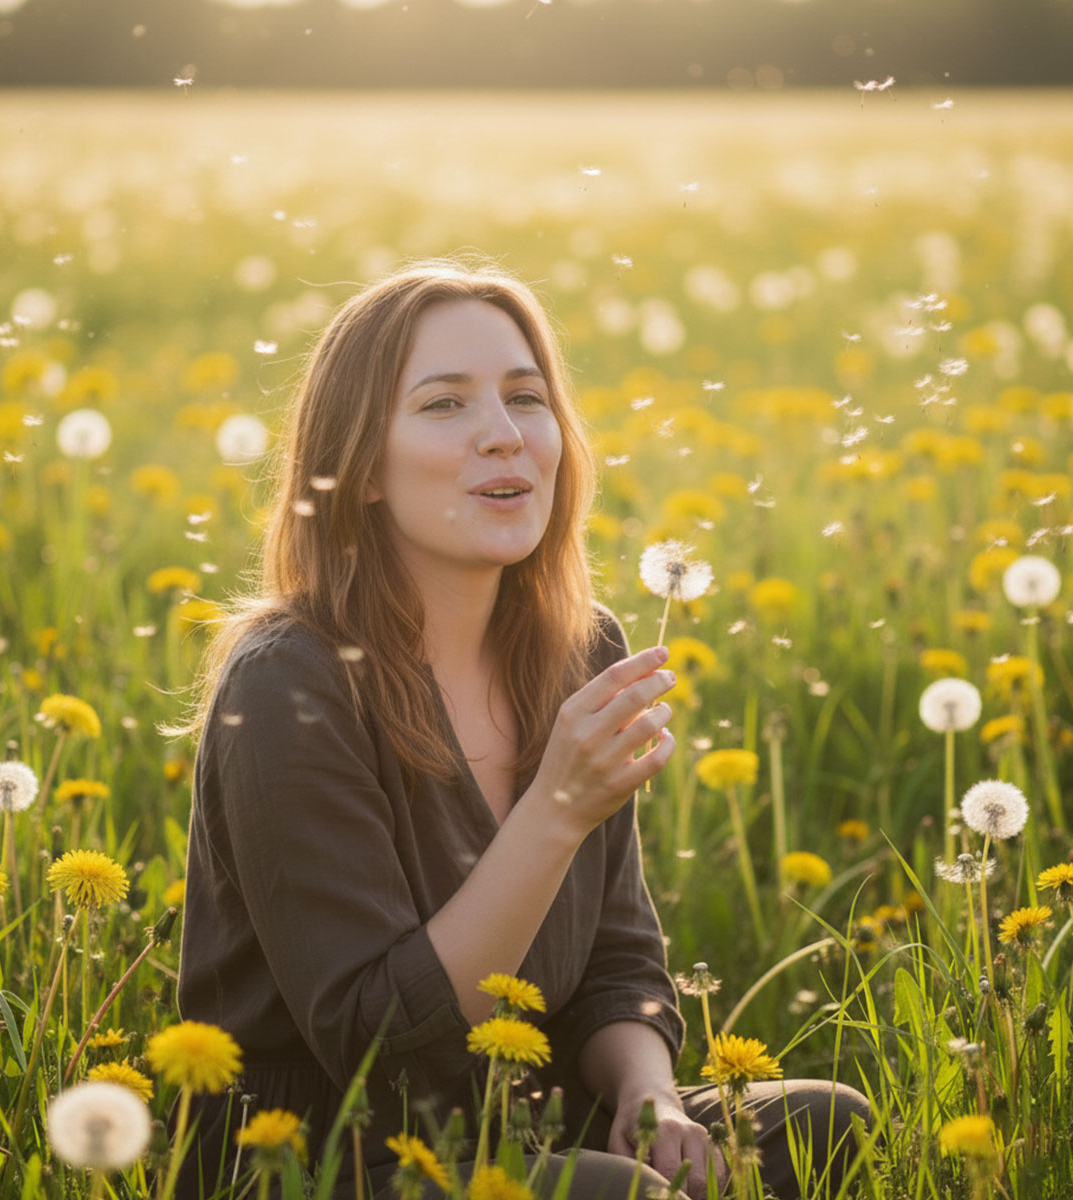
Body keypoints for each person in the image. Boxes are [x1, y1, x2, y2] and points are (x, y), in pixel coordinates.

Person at [176, 262, 868, 1200]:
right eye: (444, 406)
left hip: (524, 1116)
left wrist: (650, 1091)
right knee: (613, 1193)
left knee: (829, 1128)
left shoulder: (581, 653)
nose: (502, 436)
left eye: (525, 398)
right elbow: (380, 1049)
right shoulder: (287, 685)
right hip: (328, 1154)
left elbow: (619, 959)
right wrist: (555, 810)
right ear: (361, 466)